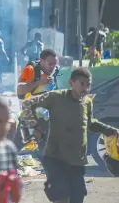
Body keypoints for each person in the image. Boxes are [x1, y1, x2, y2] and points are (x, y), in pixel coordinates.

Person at [20, 67, 119, 203]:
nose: (86, 88)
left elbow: (90, 123)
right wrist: (34, 125)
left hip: (76, 161)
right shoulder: (56, 97)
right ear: (71, 82)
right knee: (62, 196)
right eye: (82, 83)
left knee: (78, 196)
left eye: (88, 84)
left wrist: (109, 130)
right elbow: (27, 103)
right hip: (56, 158)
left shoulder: (87, 102)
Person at [15, 49, 59, 151]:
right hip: (29, 117)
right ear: (41, 61)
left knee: (48, 151)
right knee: (16, 147)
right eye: (50, 64)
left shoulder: (55, 70)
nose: (53, 67)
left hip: (46, 118)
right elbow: (20, 90)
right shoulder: (30, 70)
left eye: (55, 64)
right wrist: (38, 83)